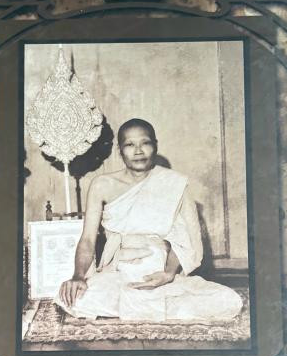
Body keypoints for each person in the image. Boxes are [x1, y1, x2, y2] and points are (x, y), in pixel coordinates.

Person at [55, 119, 243, 323]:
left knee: (228, 300)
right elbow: (87, 240)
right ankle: (155, 308)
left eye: (145, 143)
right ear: (120, 150)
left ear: (155, 146)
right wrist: (78, 276)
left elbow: (185, 239)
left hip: (161, 273)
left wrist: (168, 274)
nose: (138, 151)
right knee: (73, 299)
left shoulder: (175, 183)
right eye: (130, 144)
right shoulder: (102, 185)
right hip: (120, 272)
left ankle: (141, 305)